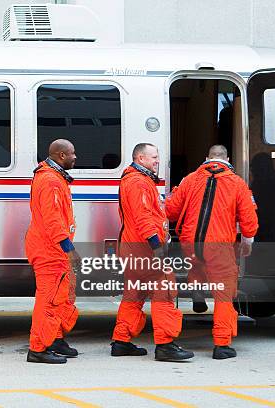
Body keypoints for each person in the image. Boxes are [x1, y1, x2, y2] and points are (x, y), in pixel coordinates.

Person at [165, 145, 258, 359]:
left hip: (190, 242)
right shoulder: (237, 183)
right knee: (224, 294)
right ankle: (222, 345)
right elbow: (248, 217)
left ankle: (197, 291)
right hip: (219, 244)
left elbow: (171, 211)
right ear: (227, 159)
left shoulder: (190, 179)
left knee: (197, 263)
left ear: (207, 158)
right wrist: (248, 239)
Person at [111, 143, 194, 361]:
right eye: (154, 157)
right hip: (145, 249)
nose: (157, 161)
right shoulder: (138, 183)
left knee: (134, 295)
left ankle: (121, 341)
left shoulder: (134, 180)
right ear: (140, 158)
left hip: (133, 247)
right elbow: (143, 218)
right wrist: (157, 246)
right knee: (165, 291)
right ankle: (165, 345)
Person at [25, 139, 80, 364]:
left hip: (52, 249)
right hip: (50, 250)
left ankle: (54, 338)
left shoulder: (53, 177)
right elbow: (53, 219)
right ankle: (37, 349)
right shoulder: (50, 181)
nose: (75, 157)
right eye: (72, 153)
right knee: (47, 301)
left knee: (60, 299)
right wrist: (69, 248)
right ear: (60, 156)